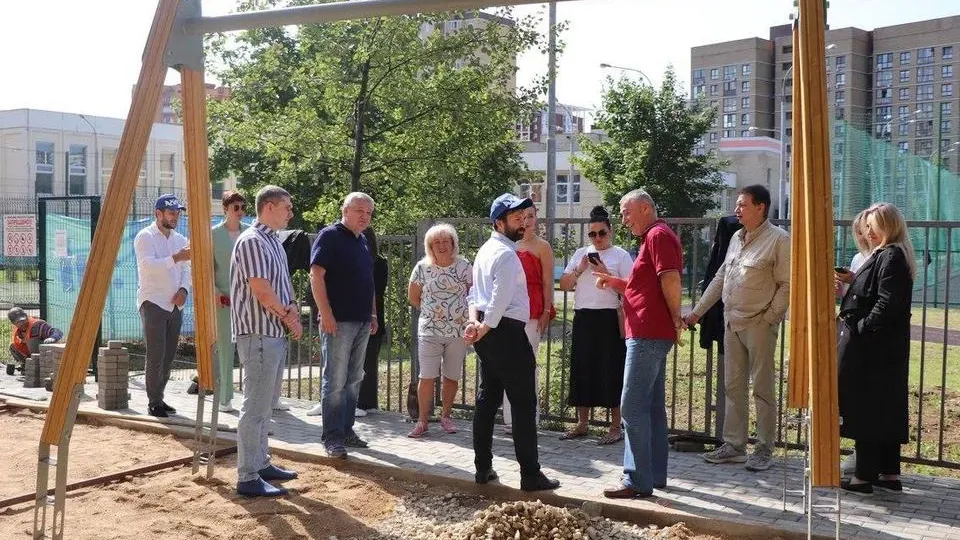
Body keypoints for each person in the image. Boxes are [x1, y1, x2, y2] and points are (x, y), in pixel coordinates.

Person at [684, 185, 790, 472]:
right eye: (737, 204)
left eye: (743, 205)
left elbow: (786, 284)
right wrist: (696, 313)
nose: (737, 210)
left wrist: (770, 318)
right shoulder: (735, 237)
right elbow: (720, 278)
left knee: (763, 389)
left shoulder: (779, 240)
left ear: (761, 207)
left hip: (759, 325)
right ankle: (734, 446)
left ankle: (765, 448)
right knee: (733, 386)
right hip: (732, 323)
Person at [465, 193, 560, 492]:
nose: (522, 223)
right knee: (522, 402)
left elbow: (474, 296)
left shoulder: (485, 250)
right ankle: (530, 475)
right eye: (515, 218)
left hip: (490, 331)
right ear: (499, 222)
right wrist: (485, 326)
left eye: (523, 217)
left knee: (488, 398)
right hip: (504, 332)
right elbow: (499, 298)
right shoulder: (506, 254)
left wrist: (476, 324)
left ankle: (483, 468)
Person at [596, 189, 684, 499]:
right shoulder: (653, 237)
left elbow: (670, 278)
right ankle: (654, 475)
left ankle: (636, 480)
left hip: (648, 333)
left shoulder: (658, 236)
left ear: (645, 208)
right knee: (651, 408)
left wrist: (676, 317)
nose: (622, 219)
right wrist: (612, 281)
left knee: (632, 408)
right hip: (650, 331)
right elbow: (640, 288)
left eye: (626, 212)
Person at [836, 202, 914, 494]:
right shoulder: (889, 255)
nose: (867, 231)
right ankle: (888, 473)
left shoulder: (891, 255)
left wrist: (861, 327)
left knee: (866, 409)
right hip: (883, 350)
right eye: (866, 226)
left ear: (888, 225)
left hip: (873, 349)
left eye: (872, 225)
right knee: (885, 408)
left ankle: (863, 477)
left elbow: (886, 303)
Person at [231, 185, 302, 497]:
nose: (291, 213)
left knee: (265, 406)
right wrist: (288, 317)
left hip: (272, 333)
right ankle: (247, 476)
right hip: (258, 334)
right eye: (287, 207)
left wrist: (293, 309)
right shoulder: (252, 241)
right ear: (270, 207)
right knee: (255, 407)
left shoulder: (272, 241)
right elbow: (261, 290)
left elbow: (281, 286)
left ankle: (260, 463)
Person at [308, 192, 378, 459]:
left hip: (361, 321)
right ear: (345, 210)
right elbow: (316, 275)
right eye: (360, 210)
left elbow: (368, 281)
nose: (364, 216)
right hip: (338, 322)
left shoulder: (362, 241)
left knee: (353, 380)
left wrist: (372, 315)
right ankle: (332, 437)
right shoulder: (330, 236)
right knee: (335, 381)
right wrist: (325, 313)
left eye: (369, 213)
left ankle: (347, 430)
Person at [557, 206, 633, 445]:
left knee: (611, 369)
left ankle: (614, 425)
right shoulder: (581, 253)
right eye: (593, 234)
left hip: (609, 318)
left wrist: (606, 273)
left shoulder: (620, 255)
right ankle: (582, 423)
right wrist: (580, 269)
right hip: (584, 317)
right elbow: (565, 285)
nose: (597, 238)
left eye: (602, 233)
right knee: (582, 368)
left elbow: (629, 288)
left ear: (611, 232)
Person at [407, 223, 472, 438]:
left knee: (451, 376)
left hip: (458, 331)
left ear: (453, 243)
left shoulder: (464, 266)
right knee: (426, 376)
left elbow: (473, 297)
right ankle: (422, 421)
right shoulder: (422, 267)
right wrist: (434, 312)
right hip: (429, 330)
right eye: (437, 242)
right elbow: (413, 297)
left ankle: (446, 416)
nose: (442, 245)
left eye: (446, 241)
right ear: (430, 246)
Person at [134, 194, 191, 418]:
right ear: (158, 214)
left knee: (168, 356)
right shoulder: (145, 236)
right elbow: (148, 266)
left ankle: (160, 396)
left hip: (175, 305)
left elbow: (186, 270)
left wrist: (184, 290)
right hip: (153, 302)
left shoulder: (179, 239)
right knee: (155, 354)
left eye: (177, 212)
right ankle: (153, 401)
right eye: (171, 213)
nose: (175, 216)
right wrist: (175, 258)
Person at [502, 205, 554, 435]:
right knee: (507, 364)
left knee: (527, 364)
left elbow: (547, 282)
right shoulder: (509, 244)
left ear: (536, 219)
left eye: (531, 216)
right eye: (522, 216)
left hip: (532, 310)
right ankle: (509, 419)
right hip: (508, 310)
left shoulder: (543, 247)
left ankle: (529, 418)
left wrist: (545, 311)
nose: (527, 220)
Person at [835, 208, 875, 474]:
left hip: (868, 333)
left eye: (868, 228)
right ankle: (862, 454)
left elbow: (875, 294)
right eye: (860, 230)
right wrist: (843, 286)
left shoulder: (884, 257)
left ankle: (867, 458)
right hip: (854, 330)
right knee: (852, 391)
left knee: (869, 395)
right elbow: (854, 293)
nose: (863, 234)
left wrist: (853, 282)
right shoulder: (860, 257)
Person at [212, 191, 249, 413]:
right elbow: (205, 266)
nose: (241, 211)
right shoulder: (214, 234)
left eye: (243, 207)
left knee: (252, 348)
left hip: (248, 300)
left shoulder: (250, 232)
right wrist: (214, 290)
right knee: (226, 348)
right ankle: (225, 398)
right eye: (236, 207)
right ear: (225, 209)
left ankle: (256, 398)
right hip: (224, 299)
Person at [356, 226, 388, 417]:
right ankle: (361, 402)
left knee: (368, 362)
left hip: (372, 316)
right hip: (360, 316)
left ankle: (366, 403)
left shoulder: (379, 263)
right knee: (360, 361)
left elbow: (377, 292)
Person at [7, 307, 63, 375]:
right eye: (19, 322)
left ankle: (39, 368)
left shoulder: (38, 325)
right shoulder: (19, 331)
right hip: (31, 356)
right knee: (13, 346)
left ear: (26, 316)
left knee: (32, 342)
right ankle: (26, 366)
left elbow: (57, 332)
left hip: (44, 356)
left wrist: (53, 338)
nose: (23, 323)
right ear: (13, 323)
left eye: (24, 320)